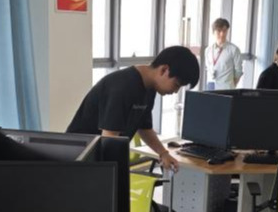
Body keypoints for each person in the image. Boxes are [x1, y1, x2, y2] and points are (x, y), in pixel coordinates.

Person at [66, 46, 199, 173]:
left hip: (98, 158)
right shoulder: (122, 87)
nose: (175, 91)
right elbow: (109, 139)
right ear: (164, 70)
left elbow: (144, 128)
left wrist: (163, 154)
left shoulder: (149, 88)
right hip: (79, 160)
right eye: (176, 85)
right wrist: (113, 178)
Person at [205, 18, 243, 91]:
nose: (222, 34)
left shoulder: (234, 50)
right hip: (211, 87)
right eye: (219, 31)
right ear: (213, 32)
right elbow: (208, 68)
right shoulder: (208, 50)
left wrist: (231, 86)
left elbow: (238, 72)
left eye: (224, 31)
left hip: (226, 89)